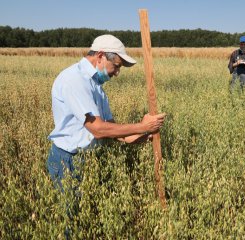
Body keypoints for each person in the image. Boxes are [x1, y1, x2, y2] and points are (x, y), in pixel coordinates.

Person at [46, 34, 166, 189]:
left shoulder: (96, 86)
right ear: (101, 56)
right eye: (116, 66)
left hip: (87, 160)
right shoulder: (75, 80)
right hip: (67, 161)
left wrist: (144, 136)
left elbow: (111, 130)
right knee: (72, 212)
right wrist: (143, 126)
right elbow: (98, 129)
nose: (117, 73)